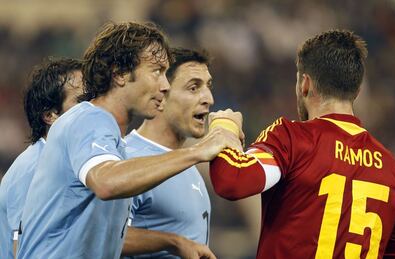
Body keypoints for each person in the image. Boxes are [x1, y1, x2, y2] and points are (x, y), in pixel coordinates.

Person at [18, 22, 241, 259]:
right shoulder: (88, 119)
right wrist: (198, 151)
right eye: (157, 71)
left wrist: (174, 242)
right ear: (120, 74)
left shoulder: (113, 141)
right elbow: (105, 182)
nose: (165, 86)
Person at [209, 30, 395, 258]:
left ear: (305, 84)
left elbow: (232, 180)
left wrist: (224, 125)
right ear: (356, 91)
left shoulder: (292, 139)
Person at [122, 48, 214, 258]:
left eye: (208, 86)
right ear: (162, 94)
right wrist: (173, 242)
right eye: (193, 88)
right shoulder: (127, 159)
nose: (208, 98)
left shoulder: (186, 161)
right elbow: (103, 236)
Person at [0, 58, 84, 259]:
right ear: (50, 115)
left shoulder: (71, 159)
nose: (93, 108)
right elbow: (24, 250)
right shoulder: (31, 169)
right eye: (82, 101)